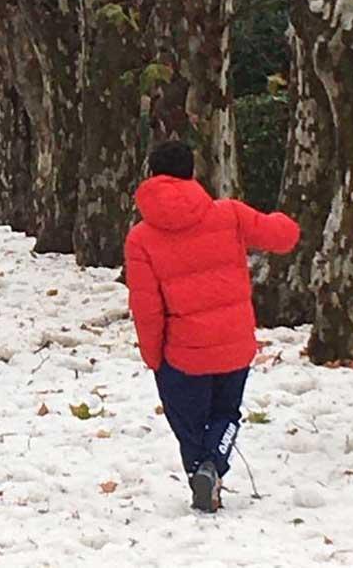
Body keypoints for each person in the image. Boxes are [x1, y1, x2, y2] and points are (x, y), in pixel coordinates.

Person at [125, 140, 299, 513]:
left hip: (182, 349)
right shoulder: (229, 214)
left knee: (188, 423)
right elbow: (282, 237)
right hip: (234, 342)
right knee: (227, 414)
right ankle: (213, 467)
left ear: (151, 175)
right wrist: (286, 218)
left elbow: (147, 307)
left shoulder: (141, 237)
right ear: (192, 173)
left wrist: (153, 355)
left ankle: (200, 471)